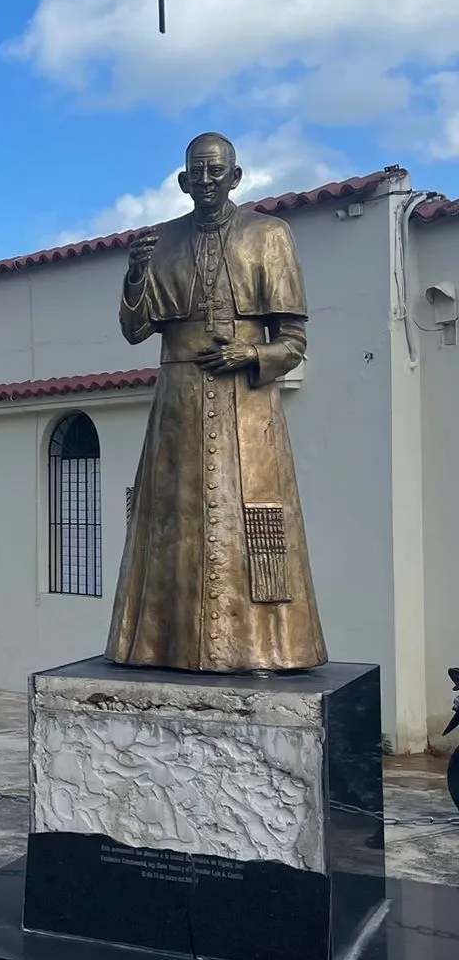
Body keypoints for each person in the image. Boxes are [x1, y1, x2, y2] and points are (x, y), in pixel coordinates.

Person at [105, 132, 327, 673]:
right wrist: (136, 274)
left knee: (254, 523)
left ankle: (265, 648)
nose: (205, 182)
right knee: (170, 525)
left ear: (235, 176)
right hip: (177, 404)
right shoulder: (161, 242)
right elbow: (136, 330)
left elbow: (293, 342)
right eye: (196, 174)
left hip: (246, 404)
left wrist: (250, 352)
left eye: (215, 172)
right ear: (183, 182)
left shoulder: (269, 236)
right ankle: (161, 646)